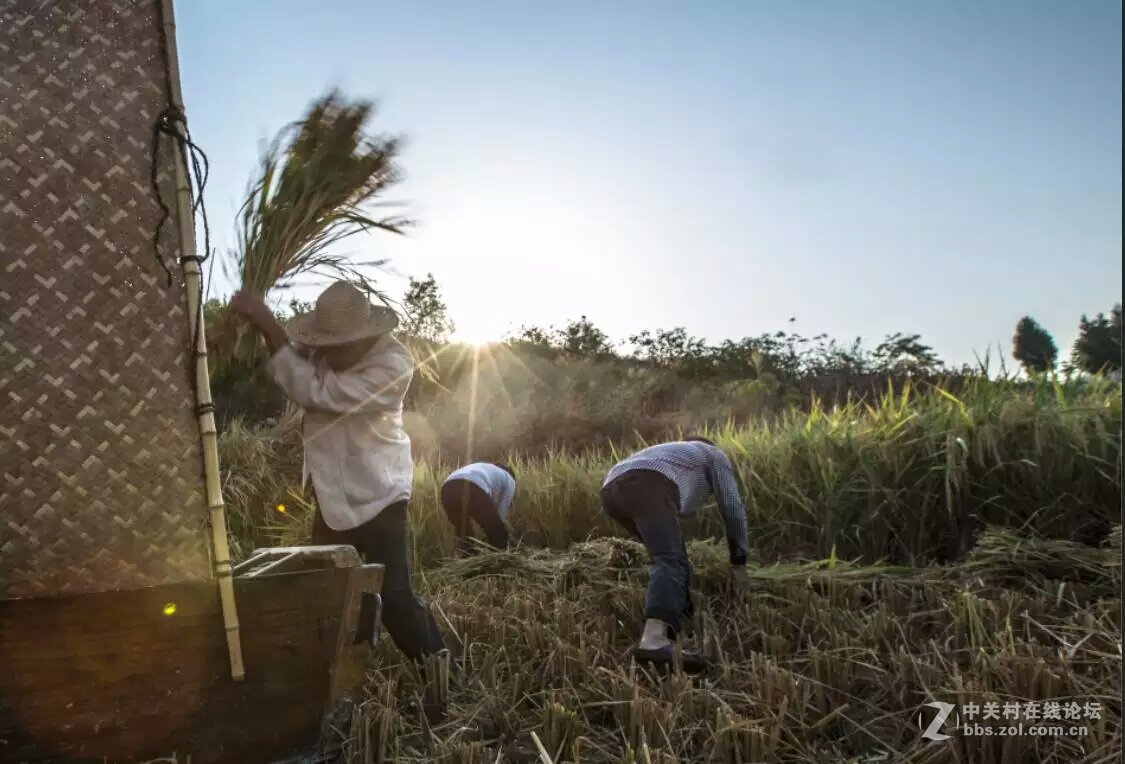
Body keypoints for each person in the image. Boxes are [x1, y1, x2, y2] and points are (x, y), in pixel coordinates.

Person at [228, 280, 448, 666]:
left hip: (380, 494)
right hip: (332, 496)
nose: (329, 353)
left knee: (394, 598)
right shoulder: (325, 353)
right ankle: (334, 677)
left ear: (366, 336)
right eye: (326, 345)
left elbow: (320, 393)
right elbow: (292, 365)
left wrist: (267, 323)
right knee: (324, 597)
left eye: (340, 345)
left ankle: (442, 668)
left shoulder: (393, 365)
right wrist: (256, 328)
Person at [599, 436, 749, 671]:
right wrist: (739, 561)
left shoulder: (669, 453)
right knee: (669, 559)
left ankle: (678, 620)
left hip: (611, 490)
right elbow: (732, 507)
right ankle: (654, 640)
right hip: (648, 483)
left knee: (670, 557)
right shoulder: (713, 454)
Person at [440, 462, 516, 555]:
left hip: (447, 489)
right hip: (472, 485)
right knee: (497, 531)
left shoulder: (486, 468)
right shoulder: (509, 479)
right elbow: (501, 515)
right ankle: (498, 564)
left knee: (465, 533)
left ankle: (468, 563)